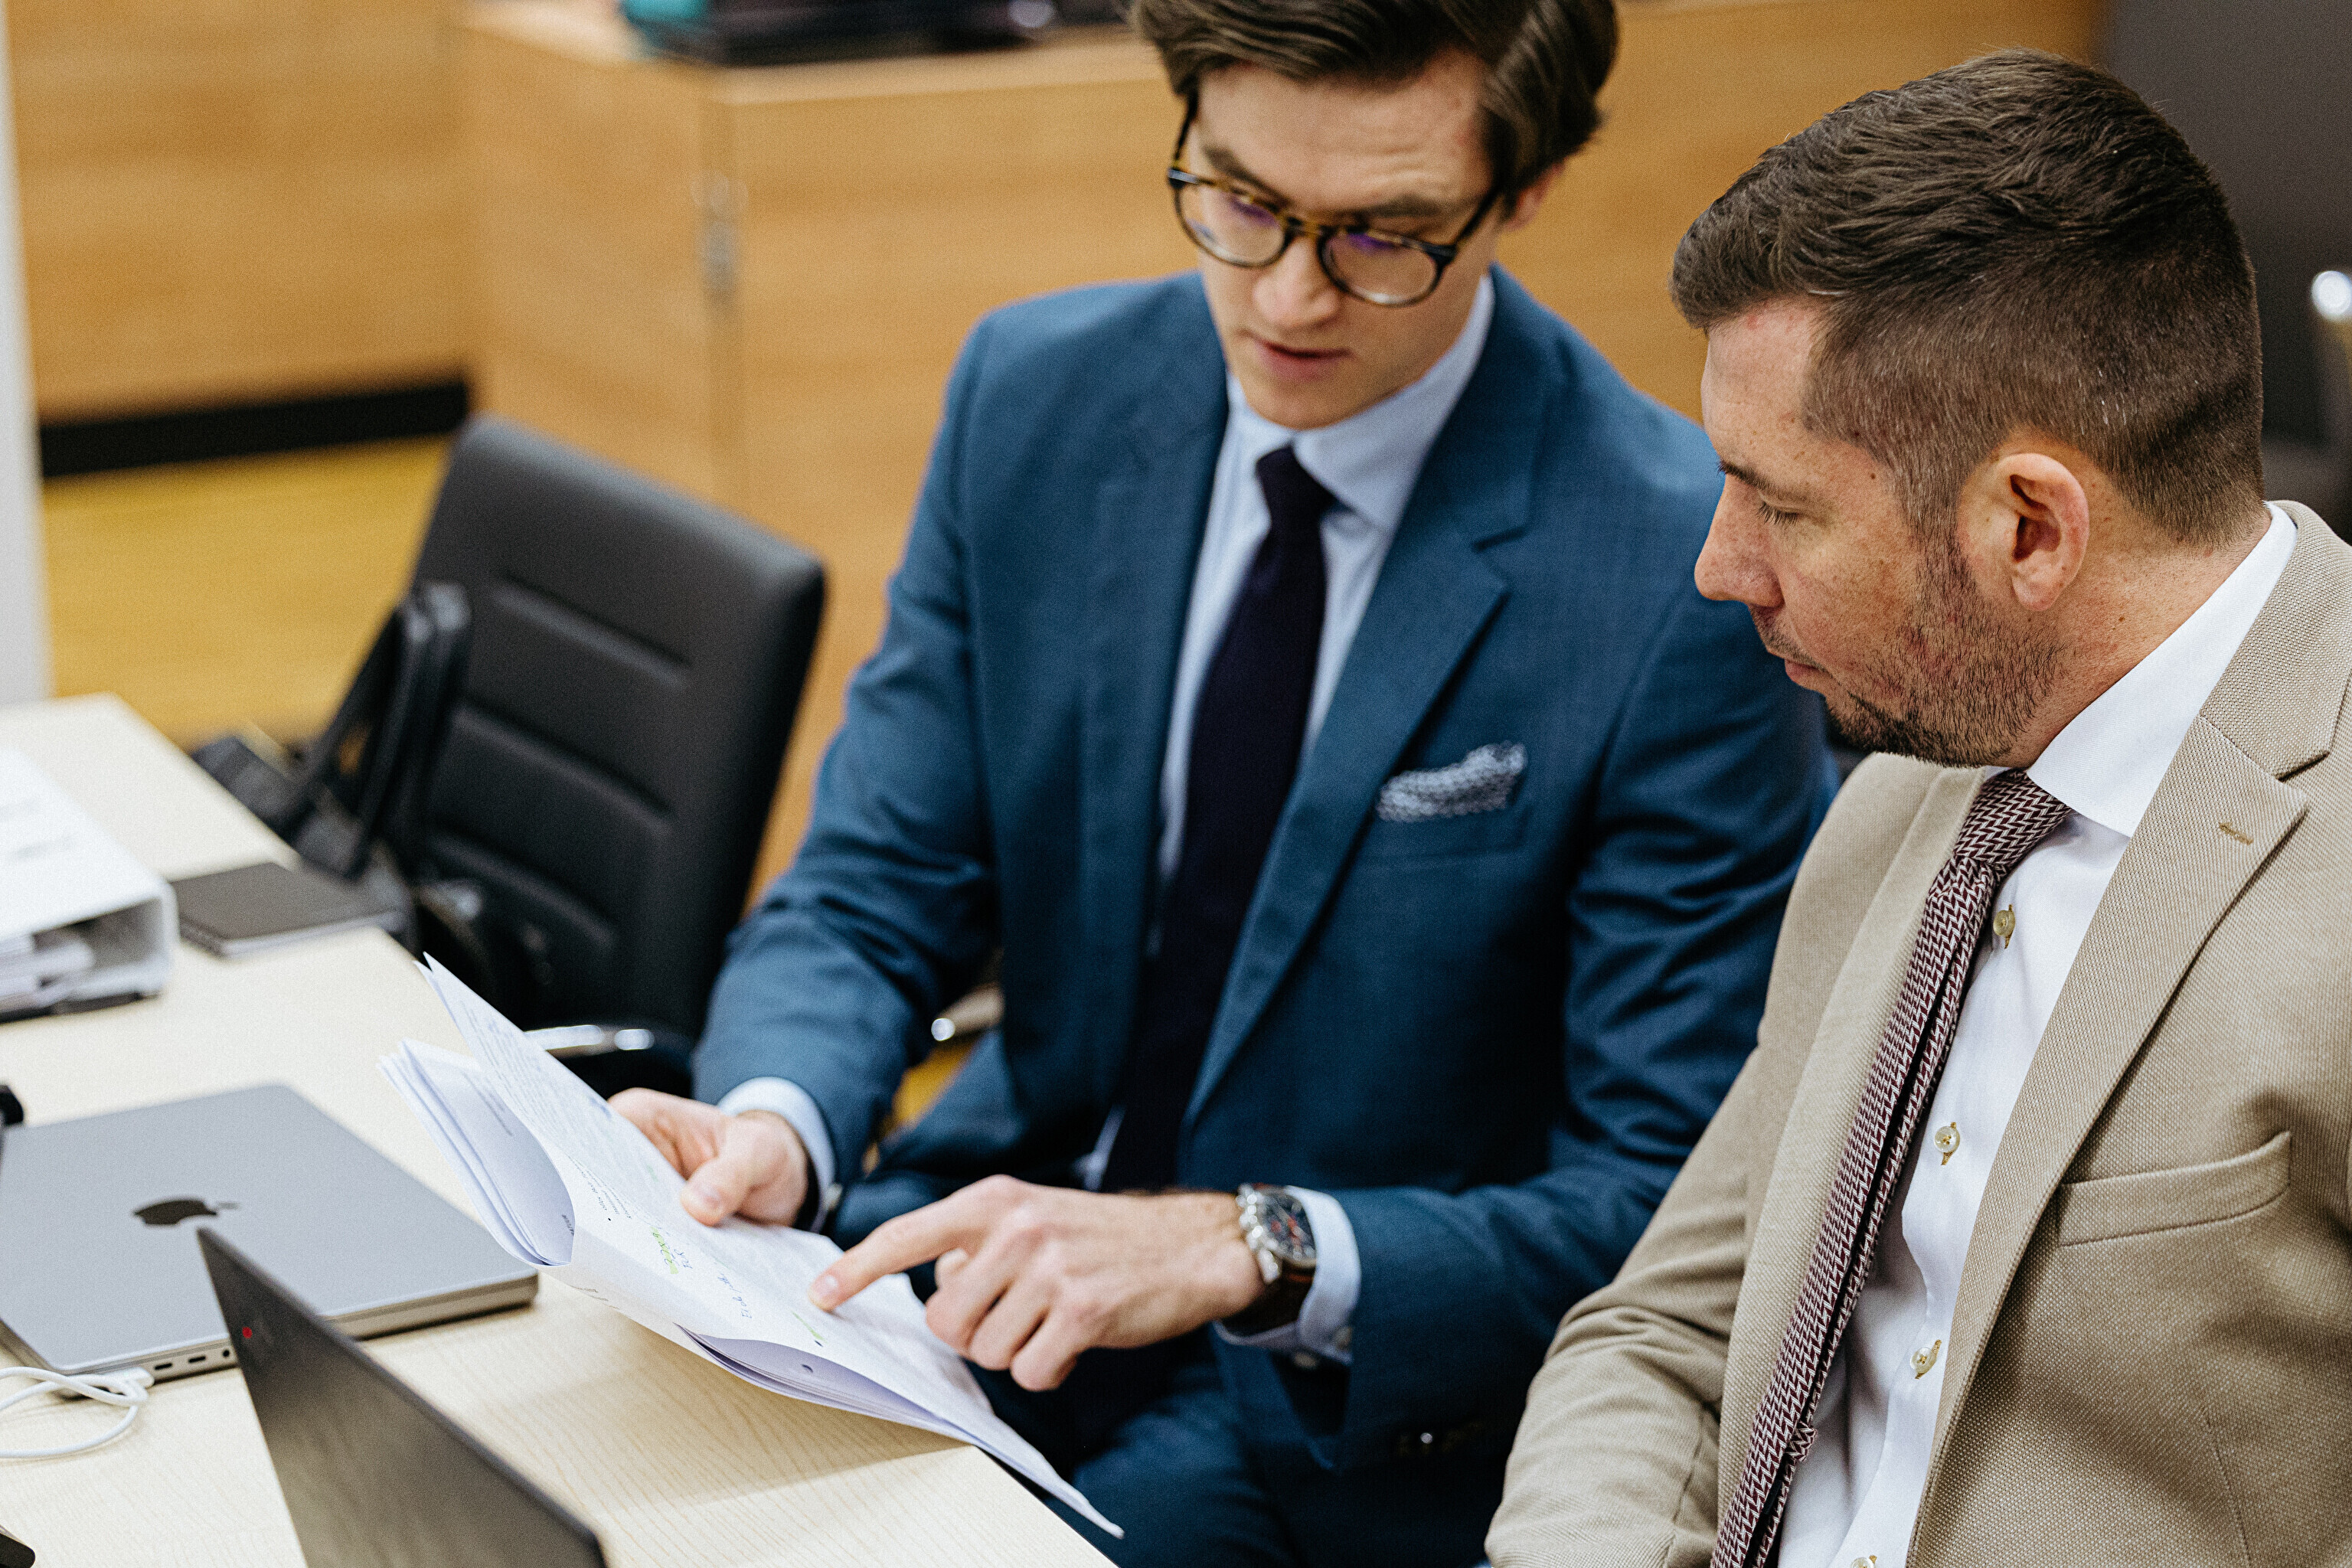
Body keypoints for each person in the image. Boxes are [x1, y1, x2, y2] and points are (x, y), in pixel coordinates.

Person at [616, 1, 1830, 1561]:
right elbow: (874, 887)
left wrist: (1255, 1248)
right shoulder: (1036, 396)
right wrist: (773, 1123)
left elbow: (1662, 1200)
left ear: (1521, 193)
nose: (1288, 294)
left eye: (1382, 235)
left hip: (1325, 1408)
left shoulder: (1673, 572)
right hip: (977, 1250)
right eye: (1242, 201)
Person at [1489, 47, 2352, 1568]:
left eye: (1783, 506)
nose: (1719, 568)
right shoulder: (1900, 794)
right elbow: (1670, 1335)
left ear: (2029, 527)